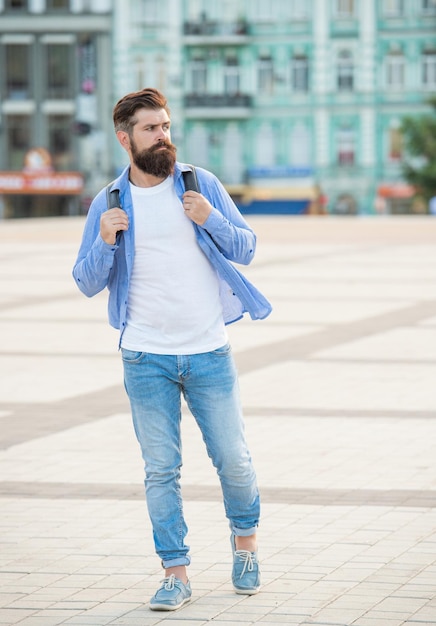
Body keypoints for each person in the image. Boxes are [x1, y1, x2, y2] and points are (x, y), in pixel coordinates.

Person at [72, 87, 272, 611]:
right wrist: (105, 241)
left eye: (166, 126)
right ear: (125, 138)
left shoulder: (199, 184)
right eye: (151, 129)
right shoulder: (108, 203)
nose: (164, 136)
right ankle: (176, 573)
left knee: (234, 460)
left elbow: (246, 248)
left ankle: (245, 545)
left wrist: (210, 217)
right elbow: (85, 281)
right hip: (144, 357)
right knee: (161, 469)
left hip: (209, 351)